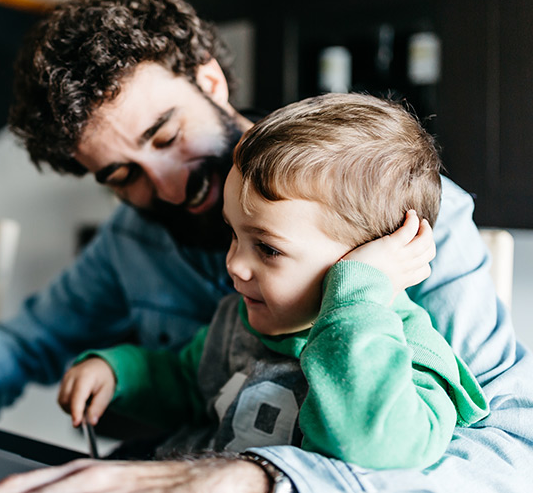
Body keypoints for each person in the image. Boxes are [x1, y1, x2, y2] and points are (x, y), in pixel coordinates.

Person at [0, 0, 533, 492]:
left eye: (165, 135)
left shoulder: (398, 221)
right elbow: (34, 335)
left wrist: (254, 476)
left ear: (211, 81)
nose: (165, 187)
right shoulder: (134, 237)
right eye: (123, 175)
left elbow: (515, 449)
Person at [57, 93, 490, 470]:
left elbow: (371, 444)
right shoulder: (237, 322)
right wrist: (119, 373)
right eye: (233, 235)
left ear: (369, 258)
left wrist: (356, 298)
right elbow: (187, 383)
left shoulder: (410, 353)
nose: (235, 266)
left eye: (268, 249)